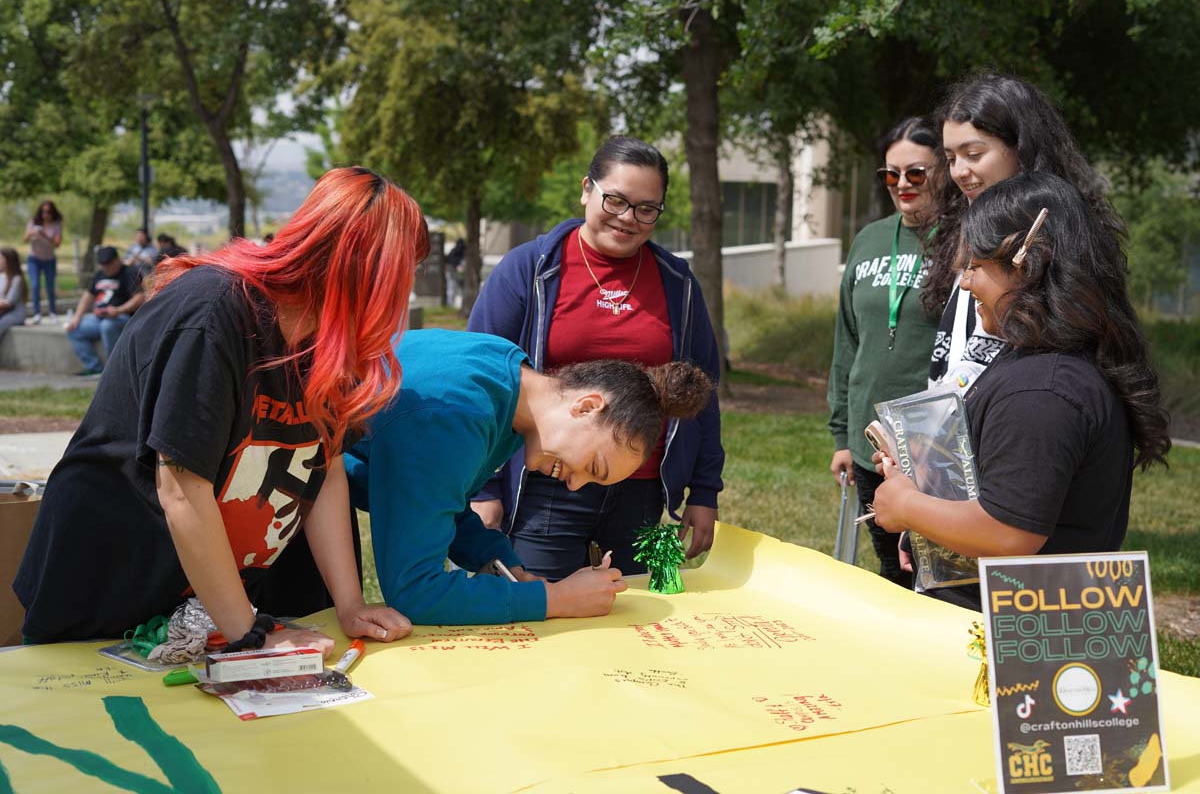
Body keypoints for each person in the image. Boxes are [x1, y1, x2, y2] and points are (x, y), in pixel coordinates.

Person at [15, 166, 424, 654]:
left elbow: (325, 469)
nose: (403, 293)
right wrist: (250, 636)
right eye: (403, 273)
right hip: (108, 591)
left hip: (208, 607)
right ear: (365, 269)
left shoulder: (332, 342)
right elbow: (182, 492)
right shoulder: (215, 314)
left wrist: (349, 603)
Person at [871, 172, 1171, 611]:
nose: (966, 283)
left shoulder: (1042, 391)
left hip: (1010, 652)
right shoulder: (1042, 366)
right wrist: (934, 532)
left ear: (1027, 265)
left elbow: (1007, 533)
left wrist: (906, 506)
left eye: (975, 266)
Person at [467, 135, 724, 581]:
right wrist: (484, 487)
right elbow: (483, 382)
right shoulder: (529, 269)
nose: (628, 219)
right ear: (587, 189)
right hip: (546, 484)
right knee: (538, 610)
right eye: (616, 201)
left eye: (647, 209)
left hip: (644, 488)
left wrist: (704, 491)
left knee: (639, 617)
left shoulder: (677, 282)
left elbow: (700, 392)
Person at [345, 328, 713, 624]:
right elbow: (415, 591)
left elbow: (440, 495)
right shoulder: (455, 414)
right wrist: (553, 600)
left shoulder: (508, 379)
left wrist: (502, 562)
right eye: (593, 468)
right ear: (586, 406)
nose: (574, 483)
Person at [925, 73, 1123, 392]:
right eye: (950, 158)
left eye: (973, 154)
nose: (959, 172)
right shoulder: (962, 230)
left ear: (1021, 146)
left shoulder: (1062, 240)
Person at [827, 116, 948, 588]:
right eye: (890, 175)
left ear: (945, 170)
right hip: (869, 439)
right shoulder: (870, 238)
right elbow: (846, 340)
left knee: (936, 576)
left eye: (916, 173)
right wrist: (842, 434)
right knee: (887, 572)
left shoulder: (965, 239)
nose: (902, 184)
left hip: (934, 443)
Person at [64, 246, 145, 377]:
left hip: (123, 317)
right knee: (74, 329)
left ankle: (114, 370)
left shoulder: (129, 272)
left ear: (117, 260)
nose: (106, 268)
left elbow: (139, 297)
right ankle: (94, 368)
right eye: (103, 265)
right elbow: (88, 296)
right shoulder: (99, 275)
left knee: (108, 326)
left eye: (108, 264)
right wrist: (76, 318)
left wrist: (118, 310)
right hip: (100, 317)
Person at [22, 200, 62, 324]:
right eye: (43, 211)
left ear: (52, 213)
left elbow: (57, 244)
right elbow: (25, 239)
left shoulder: (56, 224)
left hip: (49, 259)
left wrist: (44, 235)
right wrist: (31, 232)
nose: (46, 214)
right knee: (35, 285)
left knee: (50, 287)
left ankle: (52, 312)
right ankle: (37, 314)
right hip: (34, 259)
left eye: (49, 212)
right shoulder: (33, 222)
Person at [0, 247, 27, 339]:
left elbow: (8, 303)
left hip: (15, 314)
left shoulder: (17, 279)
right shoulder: (1, 277)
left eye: (1, 258)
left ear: (8, 261)